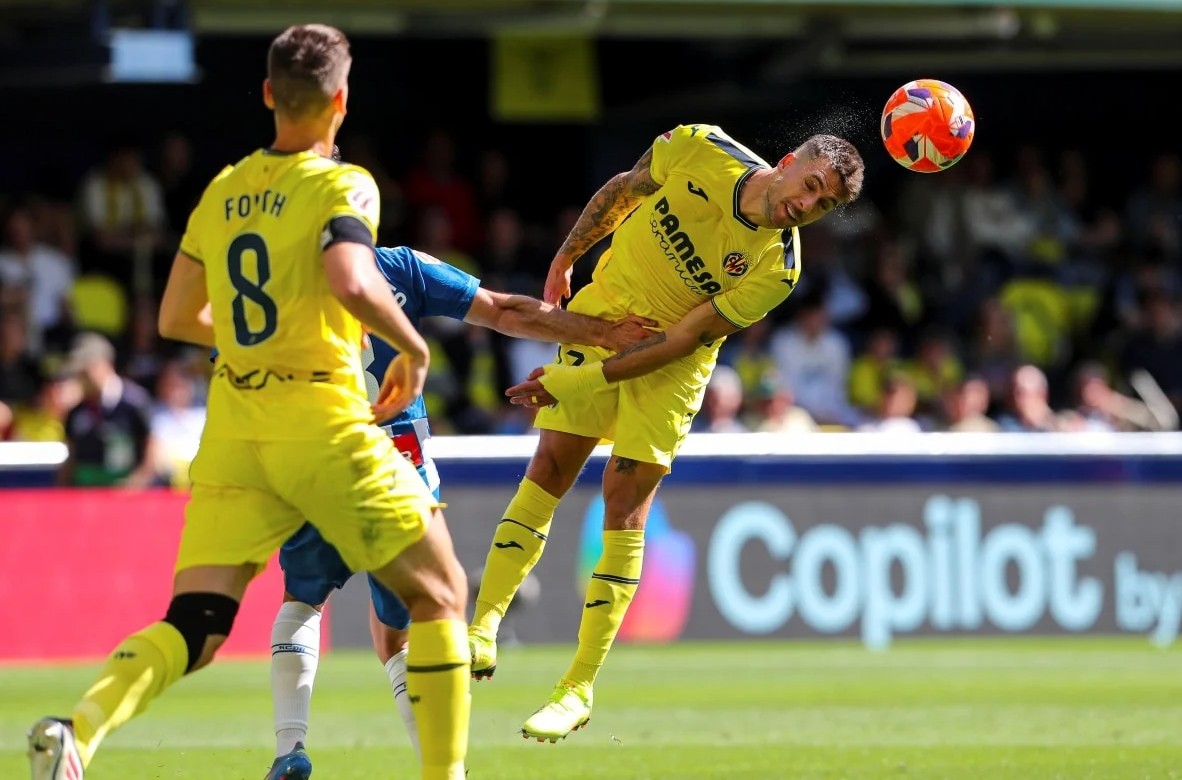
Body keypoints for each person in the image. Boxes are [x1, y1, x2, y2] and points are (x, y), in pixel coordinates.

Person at [28, 25, 471, 780]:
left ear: (268, 94)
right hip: (322, 420)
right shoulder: (343, 183)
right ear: (340, 101)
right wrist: (415, 347)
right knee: (441, 592)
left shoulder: (224, 189)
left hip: (234, 428)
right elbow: (351, 279)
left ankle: (80, 730)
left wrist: (249, 345)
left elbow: (173, 317)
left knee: (196, 623)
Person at [468, 124, 864, 741]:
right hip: (607, 308)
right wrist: (566, 256)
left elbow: (681, 340)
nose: (808, 206)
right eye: (811, 186)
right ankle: (483, 625)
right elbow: (626, 189)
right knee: (548, 468)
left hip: (670, 369)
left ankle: (577, 686)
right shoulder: (702, 147)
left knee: (622, 509)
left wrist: (577, 383)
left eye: (826, 206)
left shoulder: (778, 268)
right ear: (787, 162)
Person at [267, 244, 654, 777]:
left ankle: (291, 748)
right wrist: (601, 333)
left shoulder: (271, 277)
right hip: (397, 458)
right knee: (420, 620)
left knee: (302, 602)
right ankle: (448, 770)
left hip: (314, 451)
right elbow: (503, 309)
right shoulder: (397, 266)